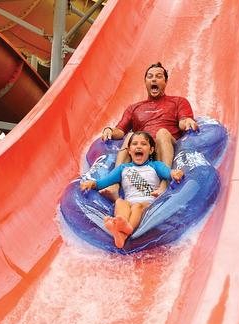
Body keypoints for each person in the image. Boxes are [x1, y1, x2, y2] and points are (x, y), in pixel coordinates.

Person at [97, 62, 198, 200]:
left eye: (158, 76)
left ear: (165, 81)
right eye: (150, 76)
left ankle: (164, 182)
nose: (154, 79)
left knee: (162, 132)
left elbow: (182, 122)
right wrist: (109, 130)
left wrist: (187, 121)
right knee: (131, 135)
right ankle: (115, 184)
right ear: (145, 82)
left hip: (166, 146)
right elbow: (120, 131)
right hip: (144, 151)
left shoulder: (178, 102)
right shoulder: (134, 108)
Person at [79, 131, 184, 249]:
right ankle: (120, 229)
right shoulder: (123, 169)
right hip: (129, 201)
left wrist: (174, 173)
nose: (139, 146)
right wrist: (92, 184)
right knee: (120, 202)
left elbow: (167, 173)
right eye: (134, 144)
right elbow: (105, 182)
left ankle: (126, 229)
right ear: (129, 150)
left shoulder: (155, 166)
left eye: (143, 144)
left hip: (147, 203)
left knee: (137, 207)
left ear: (151, 150)